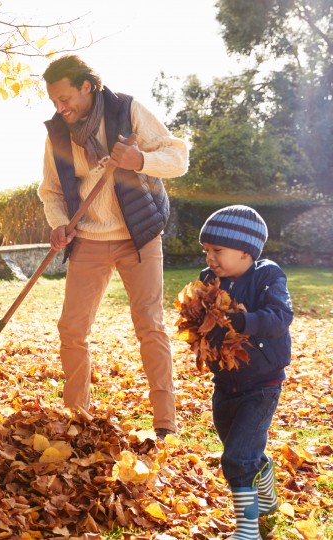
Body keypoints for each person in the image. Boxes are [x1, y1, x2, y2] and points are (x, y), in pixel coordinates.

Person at [37, 55, 188, 438]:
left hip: (139, 235)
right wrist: (58, 223)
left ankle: (165, 424)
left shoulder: (127, 110)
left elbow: (178, 158)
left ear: (87, 86)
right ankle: (77, 419)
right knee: (72, 329)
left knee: (149, 325)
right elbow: (51, 191)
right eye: (55, 101)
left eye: (66, 97)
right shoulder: (58, 133)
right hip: (89, 238)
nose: (61, 107)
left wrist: (140, 159)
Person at [198, 205, 292, 539]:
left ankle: (247, 530)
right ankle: (264, 481)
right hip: (225, 382)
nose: (210, 257)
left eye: (217, 251)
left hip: (262, 383)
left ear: (245, 251)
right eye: (206, 250)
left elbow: (281, 317)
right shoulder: (210, 279)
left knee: (237, 456)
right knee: (240, 448)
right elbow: (203, 315)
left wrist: (246, 321)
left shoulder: (268, 276)